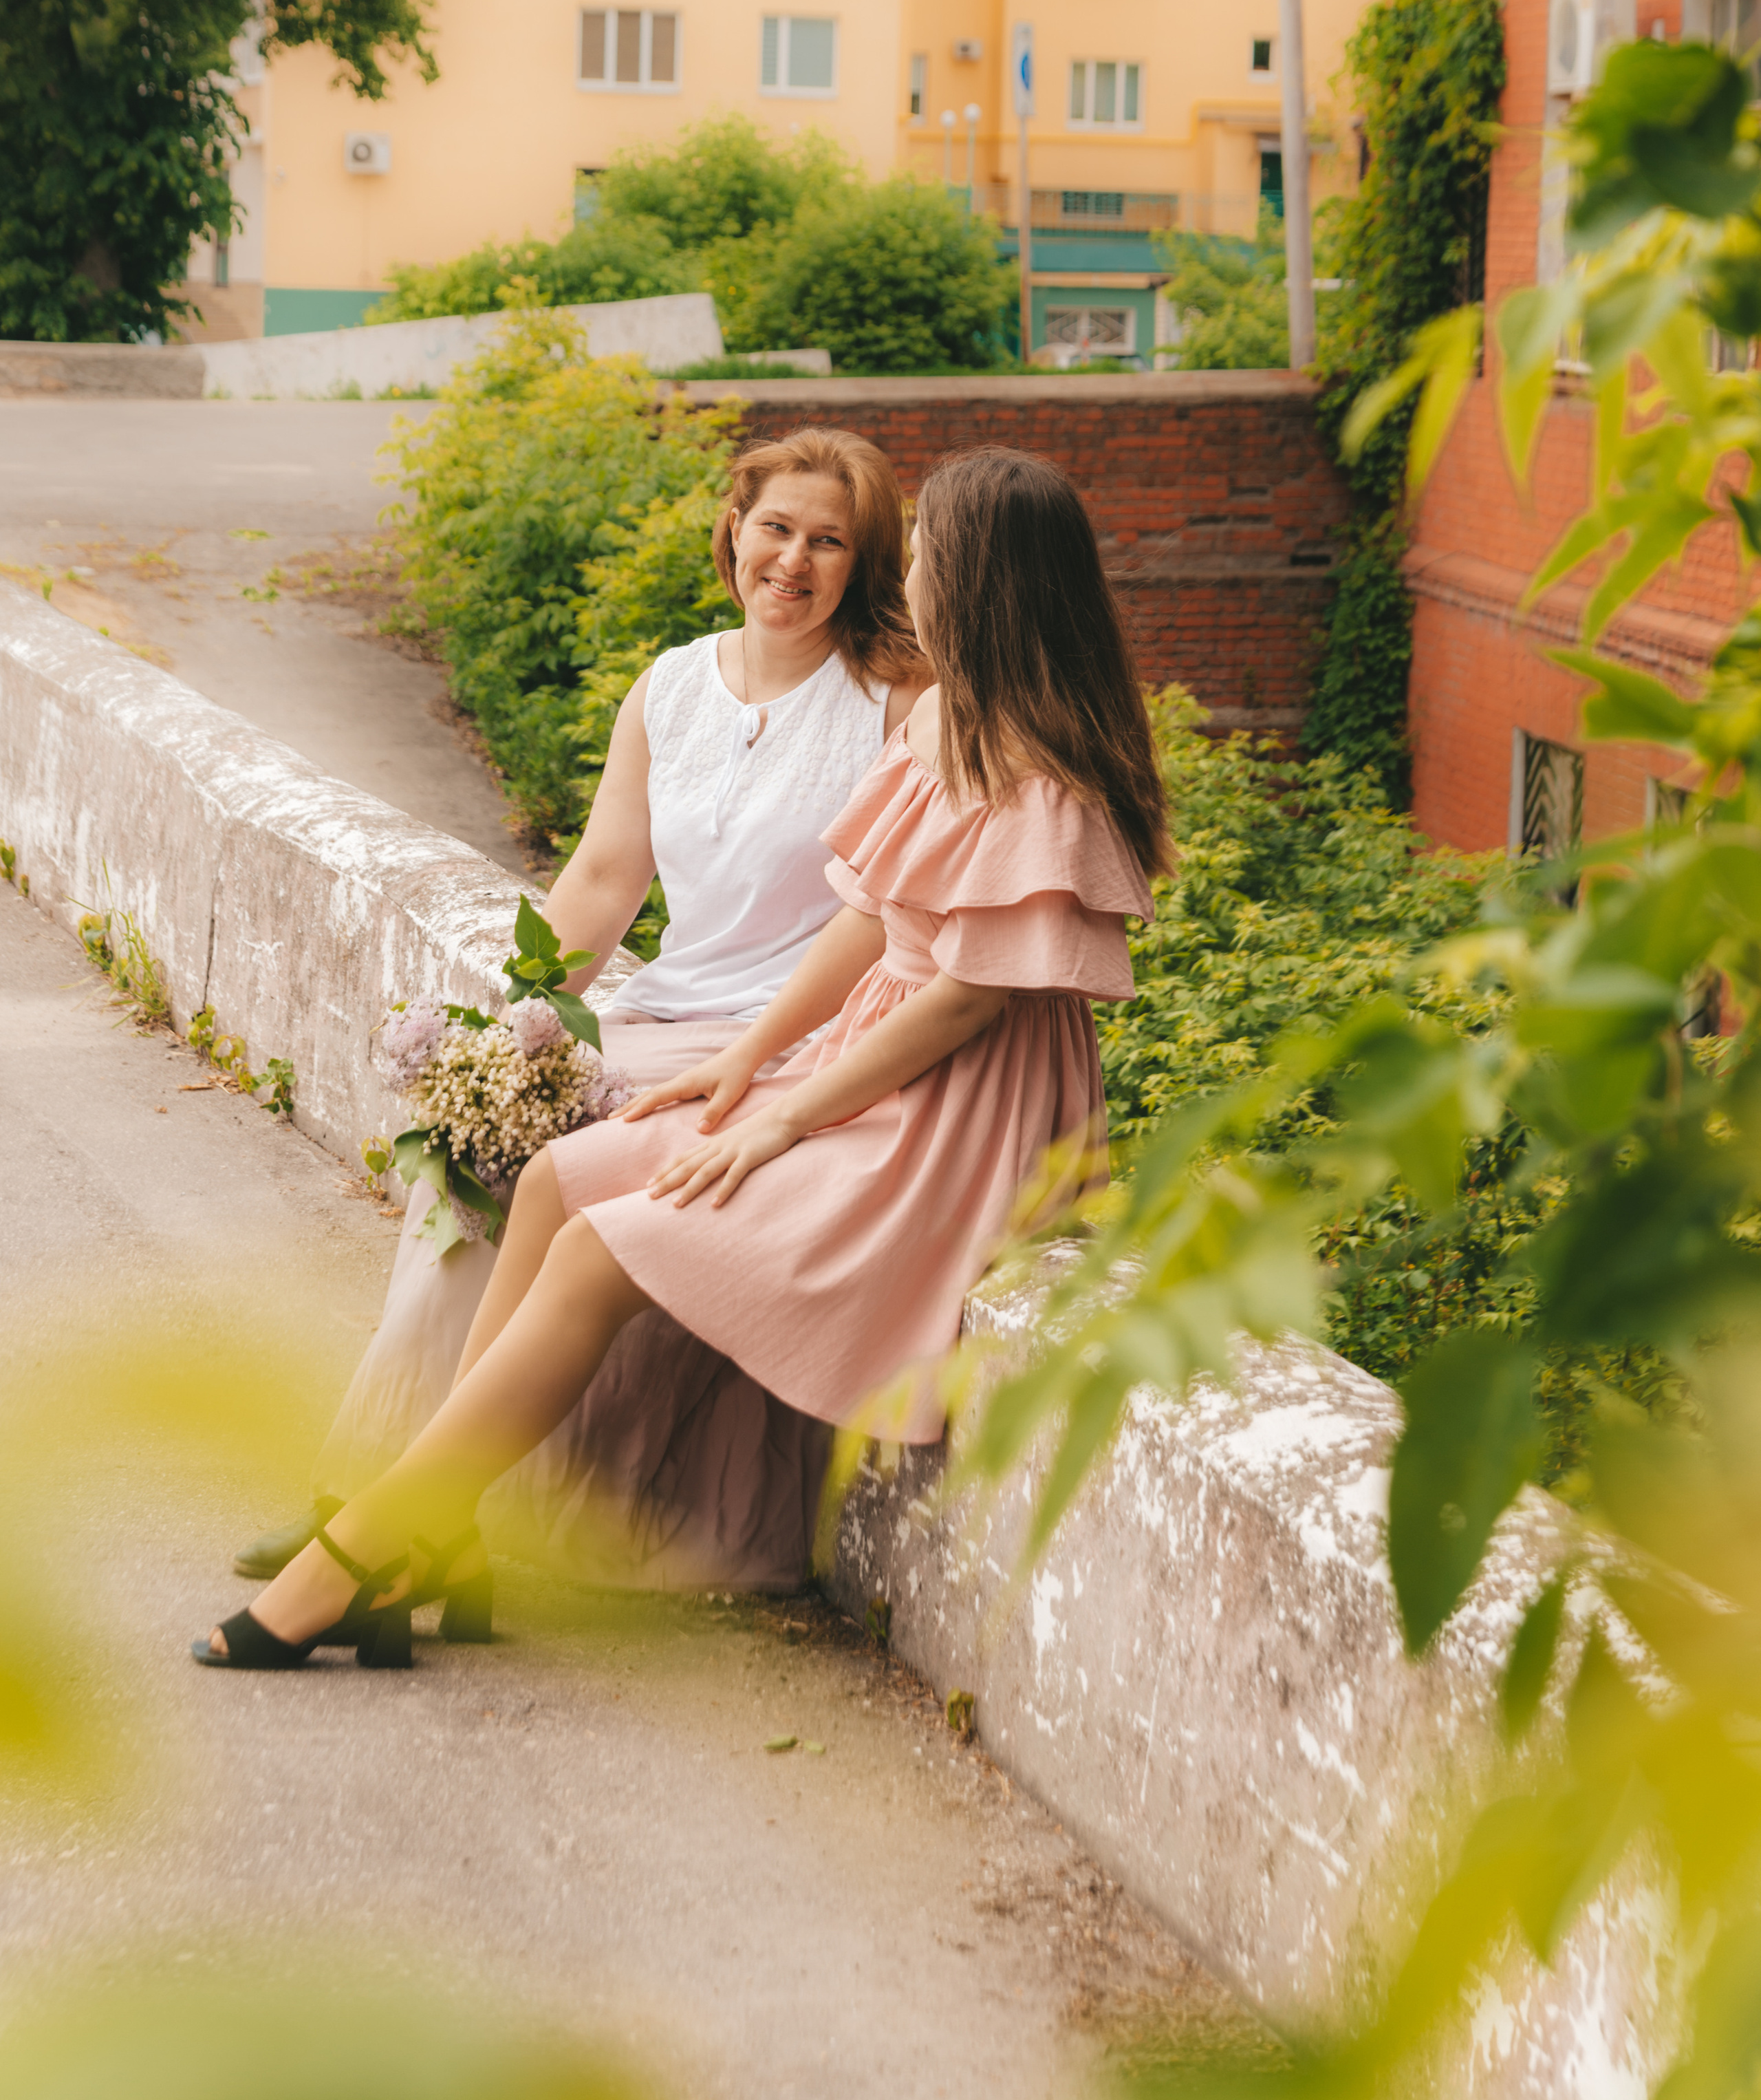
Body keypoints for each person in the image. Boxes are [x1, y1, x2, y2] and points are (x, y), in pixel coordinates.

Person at [196, 445, 1167, 1671]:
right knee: (555, 1180)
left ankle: (368, 1549)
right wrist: (743, 1065)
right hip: (854, 1056)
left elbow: (963, 1006)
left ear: (977, 585)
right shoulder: (946, 728)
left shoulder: (1038, 776)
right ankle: (433, 1527)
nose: (900, 576)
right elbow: (866, 922)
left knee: (611, 1241)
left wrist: (780, 1117)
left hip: (947, 1113)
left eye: (913, 556)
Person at [233, 425, 925, 1607]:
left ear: (865, 566)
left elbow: (894, 915)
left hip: (791, 1034)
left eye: (829, 543)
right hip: (663, 1006)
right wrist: (524, 1023)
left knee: (582, 1170)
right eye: (775, 529)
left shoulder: (897, 702)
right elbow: (607, 883)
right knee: (470, 1153)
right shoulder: (671, 687)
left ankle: (453, 1513)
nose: (794, 563)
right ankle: (375, 1494)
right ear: (733, 531)